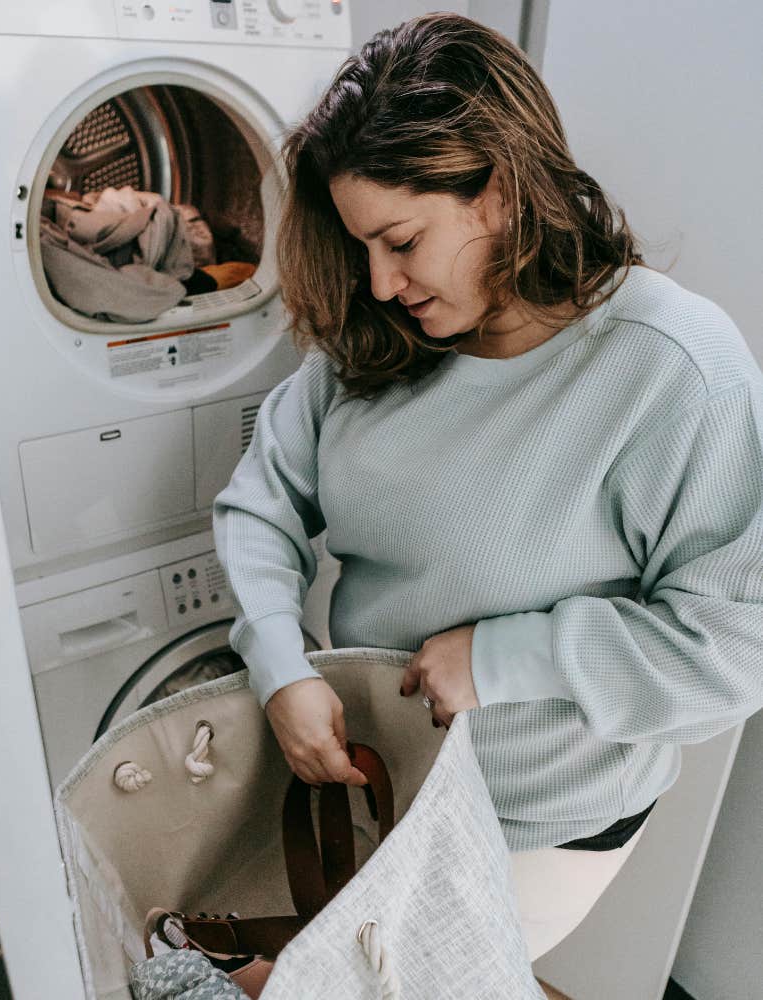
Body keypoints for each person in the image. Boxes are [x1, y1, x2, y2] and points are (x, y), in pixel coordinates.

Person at [213, 13, 763, 963]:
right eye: (362, 250)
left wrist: (507, 658)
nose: (380, 285)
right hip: (383, 783)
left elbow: (735, 646)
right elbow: (259, 505)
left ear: (500, 193)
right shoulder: (375, 342)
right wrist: (280, 664)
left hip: (539, 820)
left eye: (401, 242)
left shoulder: (674, 369)